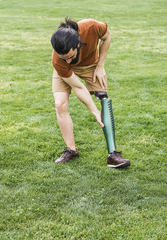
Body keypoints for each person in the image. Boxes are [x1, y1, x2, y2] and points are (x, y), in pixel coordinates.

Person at [50, 17, 130, 168]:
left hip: (90, 65)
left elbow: (107, 37)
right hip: (65, 73)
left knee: (103, 98)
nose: (67, 60)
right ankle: (71, 150)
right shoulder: (59, 61)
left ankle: (113, 154)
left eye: (70, 57)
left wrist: (100, 66)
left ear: (79, 44)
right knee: (60, 104)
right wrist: (94, 112)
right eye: (63, 58)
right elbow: (78, 87)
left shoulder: (92, 27)